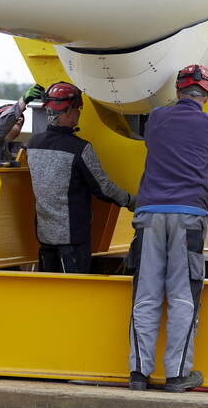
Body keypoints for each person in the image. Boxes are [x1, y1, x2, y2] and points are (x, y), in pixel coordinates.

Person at [128, 64, 208, 393]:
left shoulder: (158, 119)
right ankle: (177, 375)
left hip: (149, 213)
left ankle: (138, 373)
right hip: (187, 215)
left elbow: (151, 138)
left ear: (178, 91)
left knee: (145, 295)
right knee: (182, 296)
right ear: (207, 94)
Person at [25, 81, 135, 273]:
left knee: (47, 291)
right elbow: (103, 188)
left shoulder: (33, 145)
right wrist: (131, 201)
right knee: (75, 291)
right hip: (73, 239)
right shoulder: (79, 148)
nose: (79, 114)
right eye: (79, 109)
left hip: (44, 237)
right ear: (68, 112)